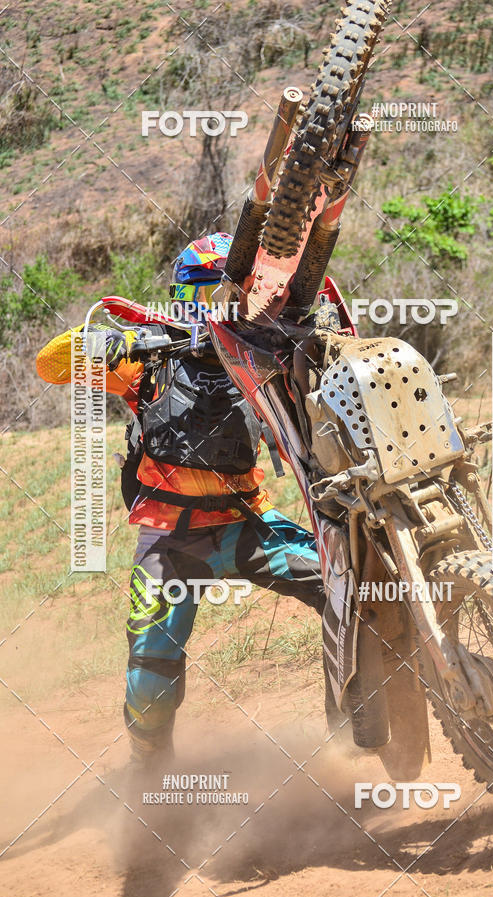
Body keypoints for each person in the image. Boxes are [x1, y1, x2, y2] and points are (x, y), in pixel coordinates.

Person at [36, 233, 326, 765]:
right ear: (183, 296)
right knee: (149, 677)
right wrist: (110, 341)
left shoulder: (263, 359)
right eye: (208, 293)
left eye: (233, 296)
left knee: (348, 588)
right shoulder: (149, 360)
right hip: (171, 542)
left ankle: (356, 722)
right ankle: (150, 777)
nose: (220, 307)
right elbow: (50, 366)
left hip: (248, 526)